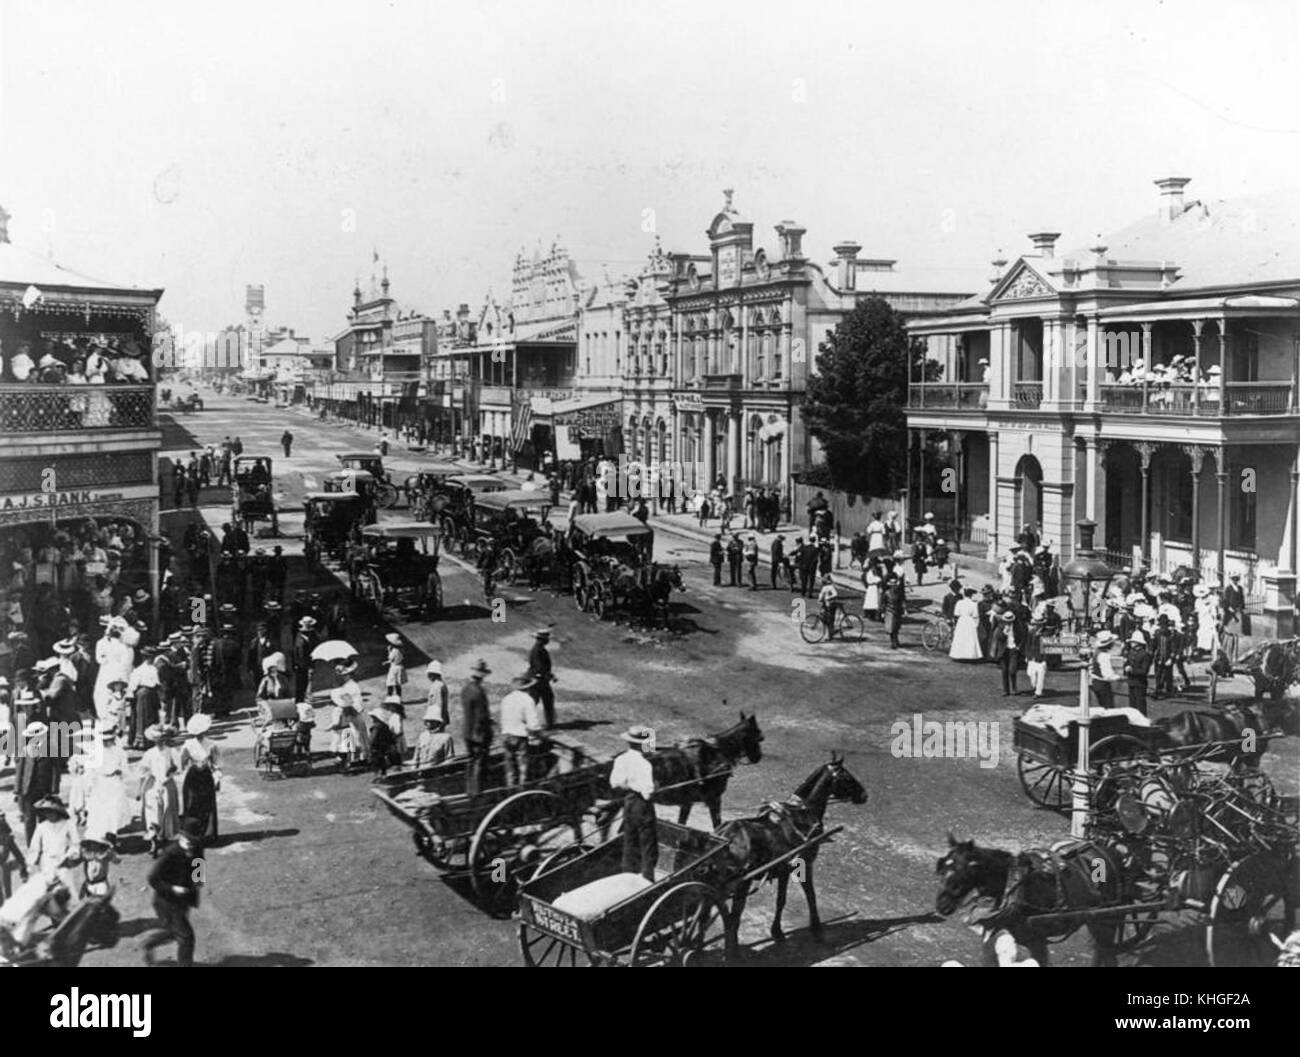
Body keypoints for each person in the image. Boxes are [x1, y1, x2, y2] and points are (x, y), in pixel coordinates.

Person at [142, 817, 205, 967]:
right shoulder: (171, 853)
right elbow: (153, 878)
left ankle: (149, 943)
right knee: (186, 937)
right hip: (166, 901)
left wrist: (196, 883)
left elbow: (199, 867)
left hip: (184, 900)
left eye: (194, 840)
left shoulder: (197, 847)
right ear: (181, 836)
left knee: (172, 932)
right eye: (189, 839)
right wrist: (173, 888)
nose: (192, 843)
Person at [610, 725, 658, 882]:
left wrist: (629, 786)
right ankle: (648, 880)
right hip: (642, 805)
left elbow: (615, 783)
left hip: (628, 803)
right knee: (648, 845)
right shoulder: (645, 764)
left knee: (629, 841)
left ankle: (627, 876)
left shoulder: (621, 759)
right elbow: (648, 792)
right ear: (642, 744)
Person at [500, 673, 544, 787]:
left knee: (510, 765)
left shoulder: (506, 698)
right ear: (528, 687)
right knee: (523, 766)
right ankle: (522, 789)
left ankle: (510, 787)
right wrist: (538, 733)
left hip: (506, 735)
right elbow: (533, 724)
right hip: (519, 737)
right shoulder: (527, 700)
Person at [461, 659, 492, 796]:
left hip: (467, 731)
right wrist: (487, 727)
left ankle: (469, 788)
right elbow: (481, 716)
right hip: (478, 734)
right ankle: (477, 791)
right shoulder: (479, 692)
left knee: (471, 761)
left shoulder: (466, 689)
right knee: (480, 762)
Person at [527, 629, 556, 728]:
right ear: (542, 639)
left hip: (540, 679)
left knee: (541, 700)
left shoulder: (539, 649)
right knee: (535, 701)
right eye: (546, 639)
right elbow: (540, 668)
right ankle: (547, 723)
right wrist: (549, 676)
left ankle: (549, 723)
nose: (548, 640)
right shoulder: (537, 650)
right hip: (537, 680)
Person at [990, 610, 1022, 696]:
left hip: (1013, 649)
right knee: (1004, 671)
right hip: (1003, 651)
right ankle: (1006, 690)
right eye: (1006, 621)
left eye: (1010, 621)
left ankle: (1014, 688)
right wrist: (1004, 633)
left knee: (1012, 669)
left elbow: (1022, 636)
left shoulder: (1017, 626)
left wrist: (1018, 646)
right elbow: (998, 638)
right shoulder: (1000, 627)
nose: (1008, 623)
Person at [949, 587, 983, 661]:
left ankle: (958, 654)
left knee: (960, 637)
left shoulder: (959, 602)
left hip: (961, 621)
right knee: (969, 638)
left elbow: (956, 613)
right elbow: (975, 615)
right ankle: (969, 655)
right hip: (969, 621)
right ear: (971, 595)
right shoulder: (974, 604)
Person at [1090, 631, 1121, 709]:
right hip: (1102, 684)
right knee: (1108, 708)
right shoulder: (1104, 655)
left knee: (1100, 707)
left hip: (1095, 682)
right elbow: (1107, 675)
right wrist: (1118, 677)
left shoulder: (1097, 652)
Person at [1123, 630, 1152, 717]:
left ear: (1138, 643)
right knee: (1132, 705)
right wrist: (1125, 668)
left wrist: (1131, 670)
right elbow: (1127, 662)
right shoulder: (1131, 652)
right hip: (1131, 682)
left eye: (1133, 641)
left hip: (1140, 683)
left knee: (1140, 705)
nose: (1131, 643)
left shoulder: (1144, 655)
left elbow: (1144, 671)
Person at [1023, 613, 1048, 699]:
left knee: (1041, 675)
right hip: (1032, 656)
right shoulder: (1031, 632)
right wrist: (1027, 655)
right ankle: (1035, 686)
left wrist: (1045, 657)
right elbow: (1027, 644)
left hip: (1041, 657)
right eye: (1035, 624)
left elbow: (1047, 644)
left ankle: (1038, 692)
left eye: (1038, 624)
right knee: (1030, 673)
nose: (1037, 626)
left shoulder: (1046, 632)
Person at [883, 574, 906, 649]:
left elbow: (902, 601)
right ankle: (893, 642)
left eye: (895, 585)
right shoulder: (886, 593)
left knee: (896, 627)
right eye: (893, 585)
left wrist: (904, 609)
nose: (894, 586)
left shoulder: (899, 593)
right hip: (890, 612)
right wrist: (882, 612)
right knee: (891, 628)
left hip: (897, 611)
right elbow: (883, 603)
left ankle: (896, 640)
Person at [425, 660, 450, 727]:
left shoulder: (438, 686)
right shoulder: (437, 684)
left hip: (436, 717)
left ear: (433, 674)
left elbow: (439, 704)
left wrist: (437, 720)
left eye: (429, 674)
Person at [384, 632, 406, 700]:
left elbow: (390, 659)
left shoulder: (394, 651)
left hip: (394, 668)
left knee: (390, 683)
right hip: (400, 667)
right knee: (397, 684)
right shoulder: (401, 650)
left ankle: (389, 697)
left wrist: (389, 651)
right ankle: (399, 698)